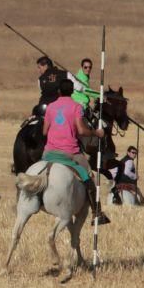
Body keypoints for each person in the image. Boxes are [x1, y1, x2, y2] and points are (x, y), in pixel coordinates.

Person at [42, 78, 110, 225]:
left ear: (58, 92)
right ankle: (96, 212)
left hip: (48, 153)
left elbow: (44, 131)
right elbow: (81, 130)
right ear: (72, 92)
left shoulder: (51, 107)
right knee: (90, 177)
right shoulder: (76, 106)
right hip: (70, 152)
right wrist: (96, 133)